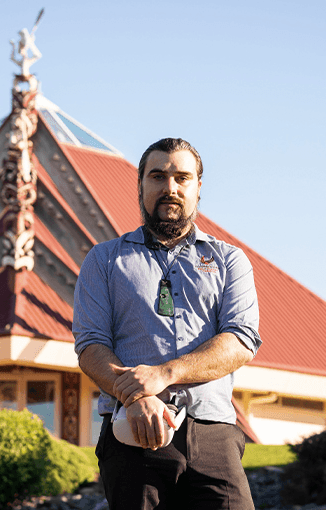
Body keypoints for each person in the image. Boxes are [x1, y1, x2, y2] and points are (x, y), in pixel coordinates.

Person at [73, 138, 261, 509]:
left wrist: (165, 374)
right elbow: (90, 345)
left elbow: (241, 340)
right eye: (157, 176)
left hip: (212, 435)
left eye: (182, 177)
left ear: (198, 188)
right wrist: (135, 395)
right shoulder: (105, 260)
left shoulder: (229, 261)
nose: (170, 188)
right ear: (140, 185)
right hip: (132, 434)